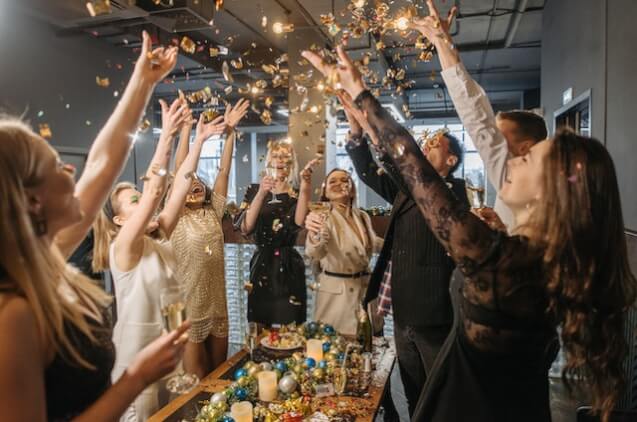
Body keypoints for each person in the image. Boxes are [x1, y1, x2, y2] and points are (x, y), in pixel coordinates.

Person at [301, 2, 637, 420]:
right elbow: (460, 135)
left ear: (552, 194)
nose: (509, 161)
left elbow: (411, 165)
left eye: (528, 159)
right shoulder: (537, 254)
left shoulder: (502, 261)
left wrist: (362, 95)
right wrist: (442, 47)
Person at [0, 31, 191, 422]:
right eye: (56, 164)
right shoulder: (11, 311)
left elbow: (103, 164)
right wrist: (135, 378)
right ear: (33, 201)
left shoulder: (45, 257)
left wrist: (143, 82)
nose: (72, 169)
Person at [336, 87, 468, 414]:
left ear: (450, 162)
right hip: (405, 312)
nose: (425, 146)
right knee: (413, 392)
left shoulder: (455, 192)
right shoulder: (407, 191)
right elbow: (369, 172)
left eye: (435, 145)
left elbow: (397, 162)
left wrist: (370, 125)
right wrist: (356, 130)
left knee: (441, 396)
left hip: (435, 314)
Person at [92, 99, 226, 421]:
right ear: (121, 221)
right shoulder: (123, 248)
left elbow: (181, 180)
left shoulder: (161, 236)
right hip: (137, 365)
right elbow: (155, 193)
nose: (144, 201)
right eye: (133, 202)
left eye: (140, 197)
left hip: (170, 362)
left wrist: (200, 140)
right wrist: (166, 136)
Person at [170, 98, 249, 378]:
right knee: (196, 381)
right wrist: (189, 134)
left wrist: (229, 134)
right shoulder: (175, 216)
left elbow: (224, 171)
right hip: (189, 310)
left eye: (198, 185)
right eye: (188, 185)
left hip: (218, 306)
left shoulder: (213, 211)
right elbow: (184, 170)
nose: (195, 186)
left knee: (219, 376)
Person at [234, 140, 307, 326]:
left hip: (289, 264)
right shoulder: (254, 189)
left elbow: (299, 222)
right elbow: (246, 228)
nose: (280, 160)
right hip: (262, 263)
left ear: (292, 162)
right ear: (269, 161)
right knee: (259, 323)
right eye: (276, 156)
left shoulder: (297, 194)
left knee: (290, 326)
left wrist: (306, 187)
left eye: (285, 156)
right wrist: (261, 193)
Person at [303, 168, 383, 336]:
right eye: (333, 181)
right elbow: (314, 252)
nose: (339, 183)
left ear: (352, 188)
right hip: (336, 299)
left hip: (365, 292)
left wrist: (400, 245)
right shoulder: (322, 216)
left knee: (368, 349)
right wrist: (314, 234)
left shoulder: (362, 216)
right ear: (325, 191)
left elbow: (373, 242)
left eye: (345, 180)